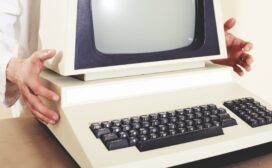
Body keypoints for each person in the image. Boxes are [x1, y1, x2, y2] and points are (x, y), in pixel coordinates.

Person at [0, 1, 253, 125]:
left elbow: (151, 18)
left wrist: (208, 45)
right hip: (54, 112)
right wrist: (12, 68)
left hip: (155, 107)